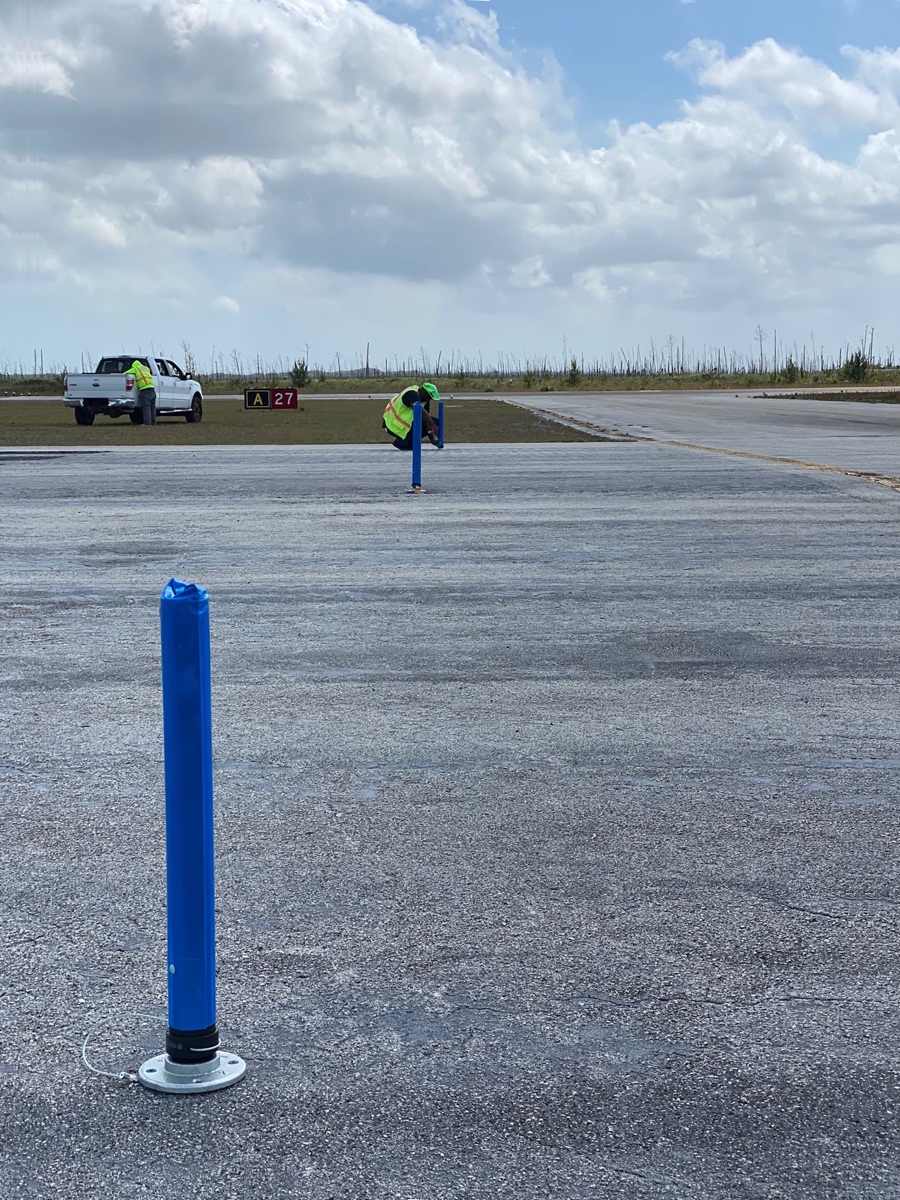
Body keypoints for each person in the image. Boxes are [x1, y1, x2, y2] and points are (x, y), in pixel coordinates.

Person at [382, 382, 441, 450]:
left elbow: (427, 421)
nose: (429, 399)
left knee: (435, 422)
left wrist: (432, 439)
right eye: (429, 397)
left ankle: (409, 442)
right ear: (424, 392)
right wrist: (433, 426)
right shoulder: (411, 393)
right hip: (392, 424)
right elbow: (421, 412)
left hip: (403, 424)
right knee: (421, 421)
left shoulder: (424, 400)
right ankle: (401, 443)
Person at [127, 358, 157, 426]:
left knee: (146, 407)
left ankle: (147, 423)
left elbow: (126, 373)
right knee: (152, 407)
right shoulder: (146, 368)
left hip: (144, 390)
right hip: (152, 389)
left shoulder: (135, 368)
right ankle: (153, 422)